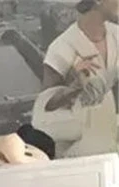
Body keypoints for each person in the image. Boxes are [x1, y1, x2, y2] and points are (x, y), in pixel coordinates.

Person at [34, 0, 119, 157]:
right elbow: (45, 108)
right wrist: (75, 85)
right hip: (79, 145)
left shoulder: (116, 35)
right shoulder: (61, 48)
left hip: (109, 128)